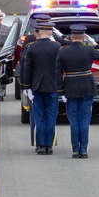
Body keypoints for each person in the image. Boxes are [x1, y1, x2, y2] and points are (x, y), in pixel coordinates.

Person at [55, 24, 99, 158]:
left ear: (71, 37)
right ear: (84, 37)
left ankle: (75, 149)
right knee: (85, 120)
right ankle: (84, 150)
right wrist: (95, 44)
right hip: (87, 86)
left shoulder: (62, 51)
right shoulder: (89, 50)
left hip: (71, 87)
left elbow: (57, 72)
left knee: (74, 121)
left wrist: (61, 90)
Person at [21, 21, 61, 154]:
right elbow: (60, 68)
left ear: (40, 32)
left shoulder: (31, 47)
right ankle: (49, 145)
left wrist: (26, 86)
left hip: (36, 86)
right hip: (52, 85)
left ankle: (40, 146)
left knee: (39, 116)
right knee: (50, 116)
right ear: (50, 33)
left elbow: (26, 68)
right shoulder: (57, 46)